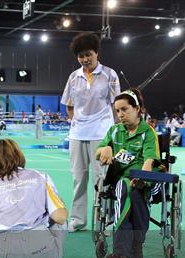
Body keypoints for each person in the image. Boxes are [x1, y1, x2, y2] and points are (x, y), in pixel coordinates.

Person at [61, 32, 121, 233]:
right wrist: (75, 120)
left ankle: (103, 220)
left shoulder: (110, 75)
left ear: (96, 52)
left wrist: (112, 129)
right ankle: (77, 221)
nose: (85, 59)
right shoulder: (73, 77)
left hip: (101, 134)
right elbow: (69, 106)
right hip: (77, 134)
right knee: (78, 179)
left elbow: (116, 105)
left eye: (88, 54)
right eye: (80, 56)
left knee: (101, 179)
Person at [95, 88, 160, 258]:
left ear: (137, 109)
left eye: (124, 109)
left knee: (133, 192)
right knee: (125, 188)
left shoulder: (148, 132)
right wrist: (105, 150)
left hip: (143, 181)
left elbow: (149, 161)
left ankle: (123, 252)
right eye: (117, 111)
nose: (120, 115)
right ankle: (133, 251)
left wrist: (142, 178)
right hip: (120, 181)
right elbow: (98, 152)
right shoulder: (115, 131)